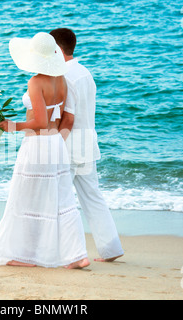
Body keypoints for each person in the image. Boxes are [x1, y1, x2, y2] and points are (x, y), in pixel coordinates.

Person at [0, 32, 90, 269]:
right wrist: (57, 143)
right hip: (56, 144)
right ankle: (77, 256)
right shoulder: (63, 79)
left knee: (23, 198)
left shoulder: (35, 82)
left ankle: (19, 255)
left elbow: (41, 121)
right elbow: (66, 118)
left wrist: (12, 126)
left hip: (37, 144)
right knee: (64, 201)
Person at [50, 28, 124, 262]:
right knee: (92, 196)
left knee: (59, 200)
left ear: (58, 50)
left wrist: (54, 144)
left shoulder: (65, 77)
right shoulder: (85, 73)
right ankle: (111, 249)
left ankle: (69, 254)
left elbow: (67, 118)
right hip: (87, 143)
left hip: (70, 145)